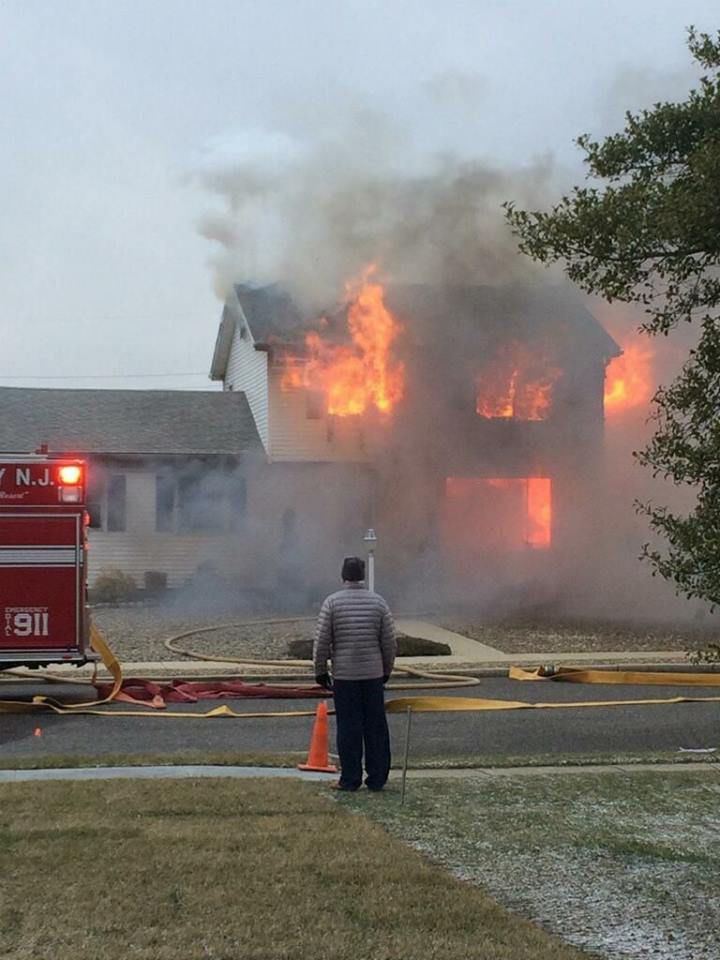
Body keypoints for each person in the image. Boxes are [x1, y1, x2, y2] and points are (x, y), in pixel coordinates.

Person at [313, 556, 397, 792]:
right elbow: (389, 642)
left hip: (345, 677)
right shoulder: (379, 603)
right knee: (376, 727)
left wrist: (320, 671)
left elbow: (321, 641)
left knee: (349, 728)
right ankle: (377, 778)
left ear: (342, 576)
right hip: (372, 676)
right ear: (362, 575)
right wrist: (386, 670)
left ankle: (350, 779)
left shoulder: (332, 603)